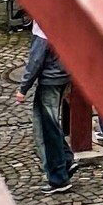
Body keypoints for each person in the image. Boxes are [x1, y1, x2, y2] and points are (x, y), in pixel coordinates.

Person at [21, 24, 81, 189]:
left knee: (47, 129)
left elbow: (36, 60)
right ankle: (66, 160)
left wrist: (23, 88)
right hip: (64, 77)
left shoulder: (42, 26)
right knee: (52, 124)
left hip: (50, 80)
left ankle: (57, 177)